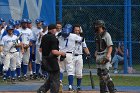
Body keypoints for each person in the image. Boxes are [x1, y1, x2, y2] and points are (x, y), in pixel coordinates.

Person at [37, 24, 66, 93]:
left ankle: (42, 90)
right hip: (51, 60)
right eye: (55, 29)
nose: (56, 30)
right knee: (55, 78)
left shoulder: (44, 37)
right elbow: (54, 51)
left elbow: (40, 49)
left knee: (51, 77)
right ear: (53, 30)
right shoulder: (53, 38)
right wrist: (62, 53)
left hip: (44, 59)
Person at [57, 24, 83, 91]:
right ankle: (70, 86)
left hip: (61, 53)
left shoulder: (60, 35)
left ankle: (60, 81)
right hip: (69, 55)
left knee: (61, 69)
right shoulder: (73, 35)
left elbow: (55, 38)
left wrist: (59, 34)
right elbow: (82, 39)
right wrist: (81, 33)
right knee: (70, 71)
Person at [94, 20, 116, 93]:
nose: (95, 26)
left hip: (105, 54)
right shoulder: (97, 34)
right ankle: (103, 91)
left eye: (97, 25)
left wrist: (108, 56)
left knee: (105, 74)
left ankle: (112, 90)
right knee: (100, 74)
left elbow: (110, 46)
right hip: (99, 55)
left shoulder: (106, 35)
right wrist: (96, 52)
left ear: (101, 26)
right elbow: (98, 46)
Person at [72, 24, 90, 91]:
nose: (77, 31)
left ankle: (78, 86)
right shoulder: (70, 37)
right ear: (73, 30)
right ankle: (71, 86)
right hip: (72, 56)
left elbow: (84, 47)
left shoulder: (82, 38)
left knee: (79, 72)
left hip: (79, 55)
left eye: (78, 30)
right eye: (75, 30)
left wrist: (88, 53)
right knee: (71, 72)